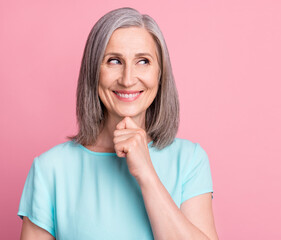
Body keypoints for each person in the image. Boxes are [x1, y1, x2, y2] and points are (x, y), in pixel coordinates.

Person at [18, 7, 218, 240]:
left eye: (143, 61)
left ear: (160, 74)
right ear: (94, 72)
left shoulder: (190, 160)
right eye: (114, 61)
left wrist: (146, 172)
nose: (128, 79)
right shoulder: (49, 170)